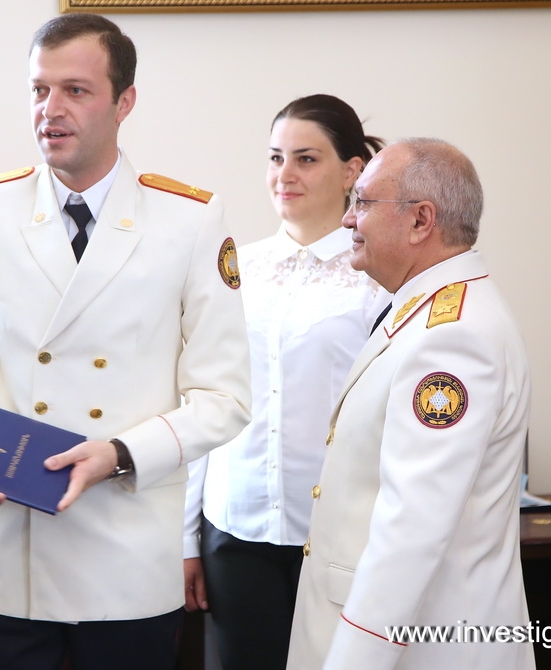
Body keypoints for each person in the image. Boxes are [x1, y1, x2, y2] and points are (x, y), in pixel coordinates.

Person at [0, 13, 251, 670]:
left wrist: (121, 453)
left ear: (124, 102)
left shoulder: (189, 220)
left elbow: (225, 398)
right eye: (39, 90)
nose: (51, 109)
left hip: (127, 549)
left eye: (75, 90)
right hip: (11, 549)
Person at [286, 138, 535, 670]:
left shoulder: (452, 337)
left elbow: (411, 529)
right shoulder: (424, 311)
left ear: (421, 220)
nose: (348, 219)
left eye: (363, 202)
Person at [183, 94, 388, 670]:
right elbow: (202, 402)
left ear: (351, 171)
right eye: (276, 158)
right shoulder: (233, 271)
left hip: (341, 538)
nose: (285, 174)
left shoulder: (376, 280)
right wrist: (185, 539)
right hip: (234, 531)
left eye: (306, 159)